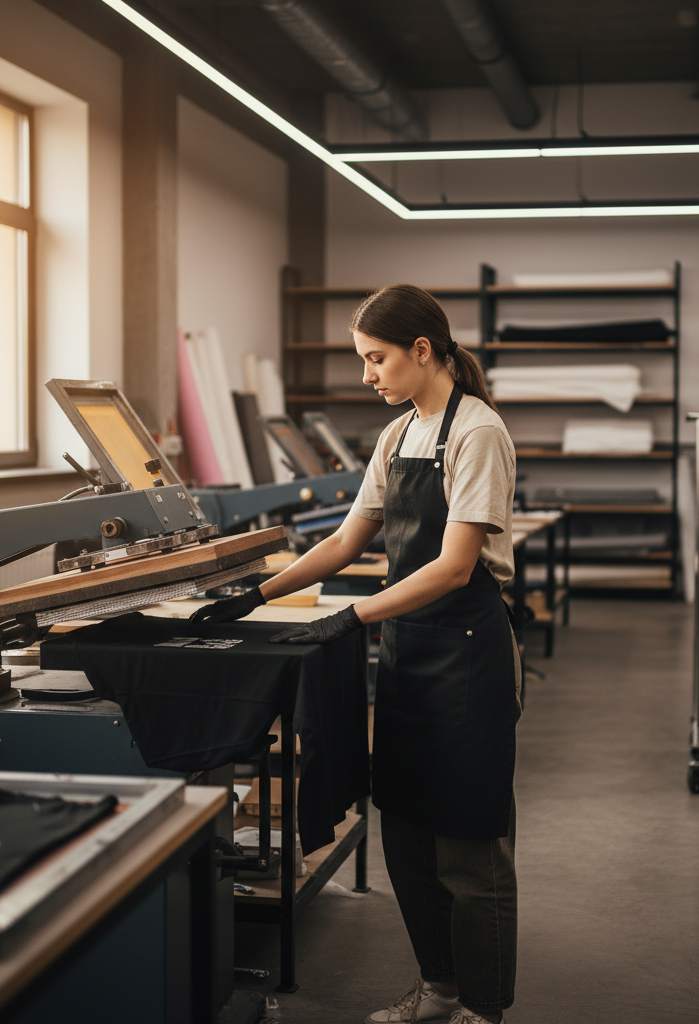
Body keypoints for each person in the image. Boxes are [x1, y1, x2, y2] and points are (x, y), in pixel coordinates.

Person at [193, 283, 520, 1024]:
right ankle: (437, 988)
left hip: (467, 656)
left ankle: (483, 1007)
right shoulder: (396, 435)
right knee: (404, 832)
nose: (368, 375)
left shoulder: (477, 432)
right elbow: (346, 541)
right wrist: (260, 593)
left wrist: (351, 615)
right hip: (409, 651)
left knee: (468, 847)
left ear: (422, 351)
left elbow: (454, 566)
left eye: (376, 359)